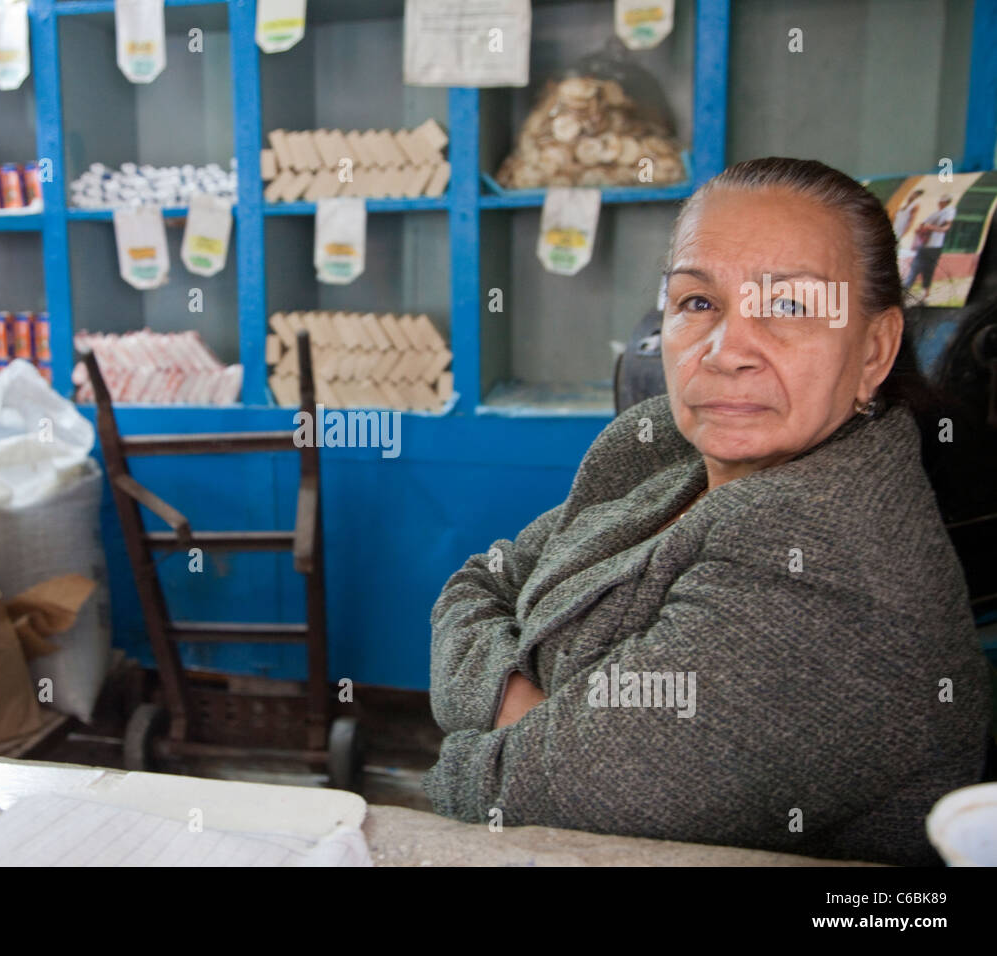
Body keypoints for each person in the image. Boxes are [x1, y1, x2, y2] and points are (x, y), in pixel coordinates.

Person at [423, 157, 991, 866]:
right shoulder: (659, 447)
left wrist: (478, 734)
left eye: (790, 307)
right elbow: (477, 583)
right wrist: (519, 705)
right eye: (698, 303)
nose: (727, 353)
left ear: (874, 351)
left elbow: (494, 793)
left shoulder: (834, 566)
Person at [902, 195, 957, 298]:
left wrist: (932, 228)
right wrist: (922, 229)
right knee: (915, 267)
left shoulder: (949, 211)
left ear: (946, 202)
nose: (939, 203)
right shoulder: (935, 214)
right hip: (924, 245)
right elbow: (922, 224)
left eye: (942, 201)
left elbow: (946, 227)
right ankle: (907, 290)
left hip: (934, 246)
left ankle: (924, 292)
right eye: (940, 201)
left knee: (928, 269)